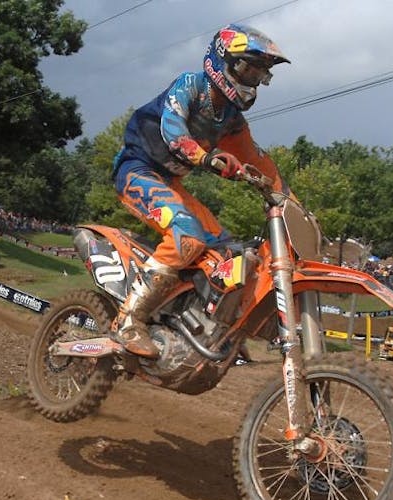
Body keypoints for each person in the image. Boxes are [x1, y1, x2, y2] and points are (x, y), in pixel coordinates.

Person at [111, 23, 296, 358]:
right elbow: (173, 130)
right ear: (222, 60)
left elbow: (259, 162)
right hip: (136, 170)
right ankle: (128, 321)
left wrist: (293, 206)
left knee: (226, 248)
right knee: (188, 235)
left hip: (169, 182)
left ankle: (206, 325)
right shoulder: (190, 86)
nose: (253, 79)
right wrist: (206, 157)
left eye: (259, 74)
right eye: (248, 69)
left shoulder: (231, 118)